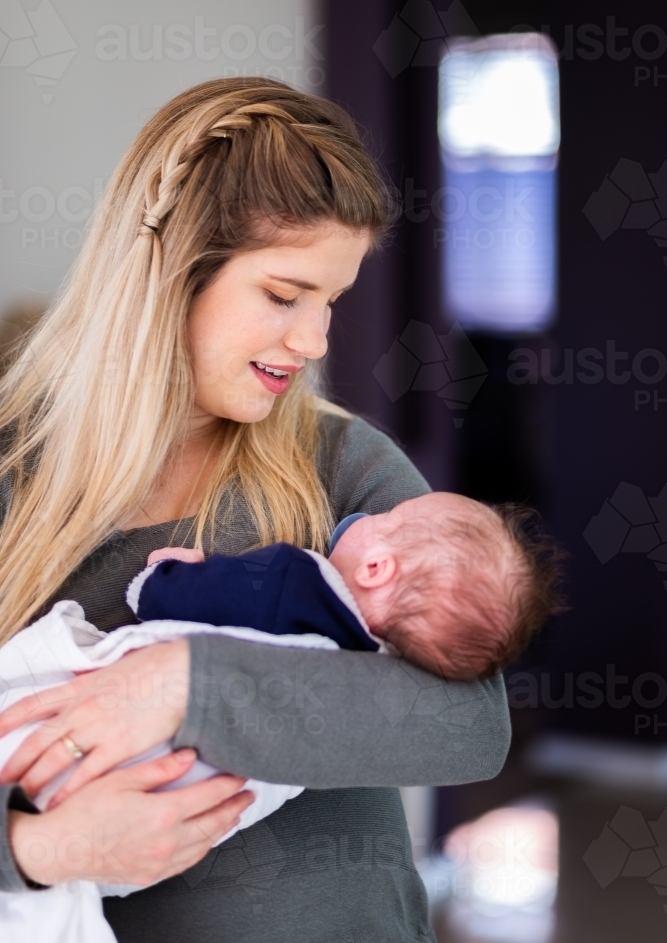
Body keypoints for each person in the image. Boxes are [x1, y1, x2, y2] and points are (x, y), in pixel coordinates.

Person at [0, 78, 511, 943]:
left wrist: (183, 685)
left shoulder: (340, 467)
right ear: (169, 268)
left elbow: (468, 725)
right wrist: (41, 849)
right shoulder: (17, 476)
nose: (312, 343)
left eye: (329, 302)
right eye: (283, 295)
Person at [134, 492, 561, 681]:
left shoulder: (290, 576)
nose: (374, 512)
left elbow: (174, 600)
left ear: (375, 568)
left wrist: (168, 572)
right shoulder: (365, 657)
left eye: (389, 515)